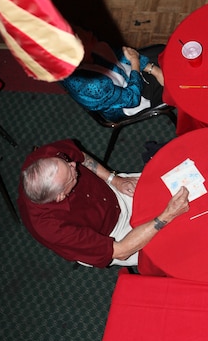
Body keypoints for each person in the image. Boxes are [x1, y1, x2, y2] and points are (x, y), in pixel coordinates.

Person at [18, 138, 189, 267]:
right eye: (71, 173)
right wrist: (166, 216)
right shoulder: (53, 228)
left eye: (67, 162)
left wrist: (115, 180)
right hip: (113, 234)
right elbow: (120, 251)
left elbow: (80, 156)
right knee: (178, 246)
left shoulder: (46, 158)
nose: (73, 165)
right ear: (61, 196)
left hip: (112, 191)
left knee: (175, 183)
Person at [61, 29, 164, 122]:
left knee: (165, 51)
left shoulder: (89, 48)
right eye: (82, 37)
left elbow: (120, 54)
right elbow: (133, 99)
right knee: (175, 81)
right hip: (132, 99)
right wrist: (135, 62)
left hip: (129, 72)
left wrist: (153, 69)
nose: (89, 32)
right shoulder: (91, 85)